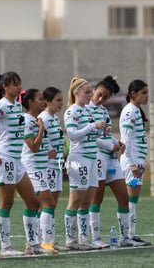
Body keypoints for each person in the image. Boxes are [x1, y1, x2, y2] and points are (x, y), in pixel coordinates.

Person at [0, 72, 48, 257]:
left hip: (16, 160)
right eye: (15, 84)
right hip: (4, 159)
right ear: (5, 87)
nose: (18, 87)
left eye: (19, 83)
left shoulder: (16, 104)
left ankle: (33, 244)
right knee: (7, 202)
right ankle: (5, 247)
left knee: (33, 202)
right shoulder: (2, 106)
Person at [86, 76, 144, 248]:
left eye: (105, 97)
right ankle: (95, 238)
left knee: (124, 197)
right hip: (97, 157)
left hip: (111, 159)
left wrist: (117, 142)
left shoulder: (103, 111)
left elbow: (105, 134)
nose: (101, 99)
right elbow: (88, 137)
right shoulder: (84, 110)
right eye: (99, 95)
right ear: (94, 90)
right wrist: (109, 146)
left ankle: (125, 237)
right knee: (97, 198)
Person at [63, 77, 106, 250]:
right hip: (78, 159)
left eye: (91, 91)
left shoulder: (86, 111)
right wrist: (92, 126)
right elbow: (72, 135)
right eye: (87, 92)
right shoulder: (71, 111)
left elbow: (90, 137)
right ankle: (70, 240)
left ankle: (83, 238)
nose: (90, 95)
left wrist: (101, 133)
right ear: (76, 93)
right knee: (75, 201)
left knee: (87, 201)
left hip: (91, 158)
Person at [20, 88, 58, 254]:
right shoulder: (27, 120)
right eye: (40, 99)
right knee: (48, 203)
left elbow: (40, 146)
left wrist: (48, 151)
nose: (43, 101)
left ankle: (33, 243)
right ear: (30, 102)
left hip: (41, 167)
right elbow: (33, 147)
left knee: (36, 205)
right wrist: (41, 128)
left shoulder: (34, 119)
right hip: (32, 168)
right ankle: (45, 242)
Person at [119, 79, 151, 246]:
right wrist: (131, 163)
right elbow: (126, 140)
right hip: (132, 161)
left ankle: (130, 234)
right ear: (133, 94)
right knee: (130, 199)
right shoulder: (130, 111)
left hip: (137, 160)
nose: (147, 96)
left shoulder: (136, 111)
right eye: (143, 93)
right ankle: (126, 237)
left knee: (133, 200)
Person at [38, 87, 67, 251]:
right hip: (46, 166)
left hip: (56, 165)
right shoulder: (42, 118)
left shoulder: (54, 118)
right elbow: (36, 140)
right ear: (47, 101)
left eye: (62, 100)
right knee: (46, 204)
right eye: (58, 100)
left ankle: (50, 240)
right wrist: (46, 151)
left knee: (52, 204)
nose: (61, 103)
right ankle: (43, 241)